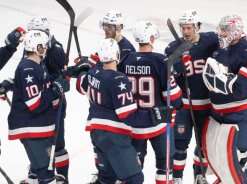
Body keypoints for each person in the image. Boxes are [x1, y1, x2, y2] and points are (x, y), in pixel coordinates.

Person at [119, 20, 182, 184]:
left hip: (133, 124)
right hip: (158, 123)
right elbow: (173, 97)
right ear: (152, 38)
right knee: (165, 166)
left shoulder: (125, 60)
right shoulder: (161, 61)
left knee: (134, 168)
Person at [75, 38, 143, 184]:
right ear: (117, 55)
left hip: (96, 132)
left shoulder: (93, 73)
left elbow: (81, 85)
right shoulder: (118, 79)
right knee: (134, 179)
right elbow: (126, 114)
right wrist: (156, 116)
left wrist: (81, 70)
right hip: (114, 135)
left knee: (107, 178)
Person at [202, 15, 247, 184]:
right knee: (222, 158)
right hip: (221, 115)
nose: (221, 33)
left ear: (235, 31)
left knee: (238, 155)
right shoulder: (221, 49)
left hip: (242, 116)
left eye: (224, 29)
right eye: (220, 29)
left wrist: (226, 84)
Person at [7, 30, 69, 184]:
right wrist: (56, 90)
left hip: (37, 127)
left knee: (40, 170)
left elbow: (44, 88)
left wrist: (63, 78)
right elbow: (35, 104)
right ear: (36, 47)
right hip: (32, 129)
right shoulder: (29, 68)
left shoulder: (36, 65)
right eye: (44, 46)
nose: (46, 49)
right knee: (46, 175)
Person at [164, 10, 219, 183]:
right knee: (179, 145)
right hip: (184, 107)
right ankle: (178, 178)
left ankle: (200, 176)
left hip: (206, 106)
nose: (186, 31)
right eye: (183, 28)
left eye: (189, 27)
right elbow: (166, 70)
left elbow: (226, 48)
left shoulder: (211, 41)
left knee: (203, 145)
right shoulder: (174, 47)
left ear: (198, 27)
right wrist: (178, 61)